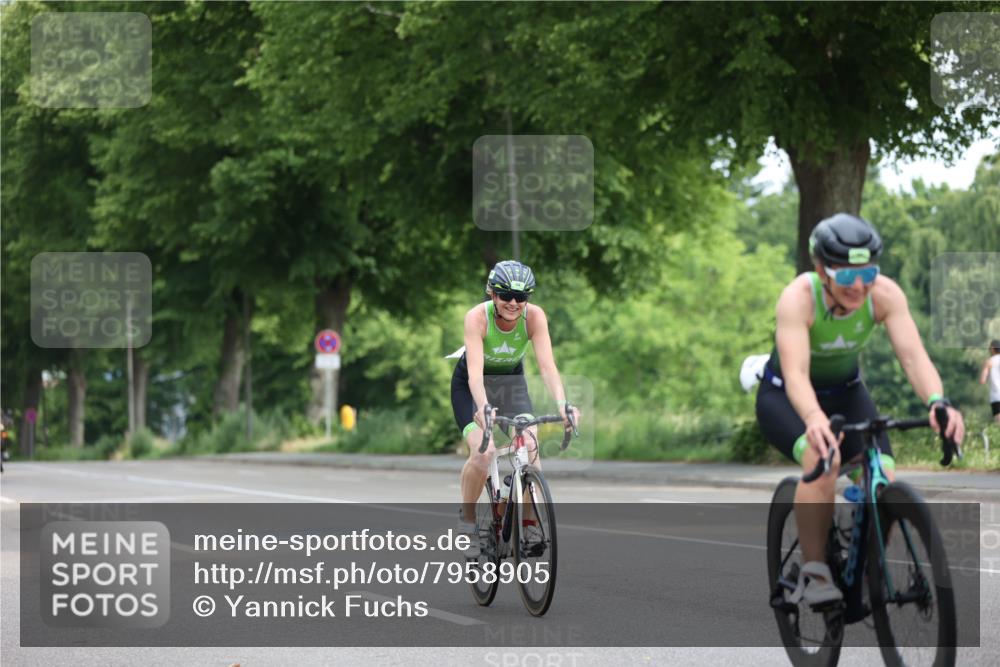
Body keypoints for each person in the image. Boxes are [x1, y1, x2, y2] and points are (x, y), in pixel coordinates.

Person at [755, 213, 965, 606]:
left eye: (868, 274)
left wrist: (938, 402)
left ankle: (860, 546)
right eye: (848, 277)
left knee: (881, 474)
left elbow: (913, 358)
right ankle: (815, 570)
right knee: (823, 456)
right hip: (786, 396)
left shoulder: (884, 294)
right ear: (822, 270)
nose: (859, 287)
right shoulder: (798, 298)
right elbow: (797, 374)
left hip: (847, 392)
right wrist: (815, 419)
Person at [451, 260, 577, 551]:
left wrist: (562, 404)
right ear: (492, 294)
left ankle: (529, 524)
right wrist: (482, 407)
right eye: (505, 295)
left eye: (521, 297)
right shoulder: (476, 318)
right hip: (472, 386)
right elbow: (473, 375)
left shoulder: (534, 317)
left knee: (530, 445)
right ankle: (468, 521)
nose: (513, 302)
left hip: (510, 385)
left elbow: (547, 367)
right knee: (484, 452)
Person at [980, 339, 1000, 424]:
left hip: (996, 396)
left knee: (998, 421)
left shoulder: (989, 362)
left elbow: (982, 380)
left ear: (992, 348)